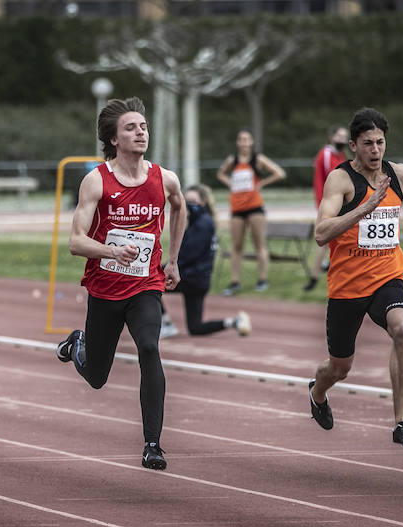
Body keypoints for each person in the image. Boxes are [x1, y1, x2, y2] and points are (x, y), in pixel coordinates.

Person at [54, 97, 186, 470]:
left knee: (149, 347)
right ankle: (78, 343)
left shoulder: (165, 179)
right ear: (113, 138)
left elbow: (180, 206)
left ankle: (153, 444)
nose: (140, 132)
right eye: (131, 128)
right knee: (97, 377)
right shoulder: (97, 180)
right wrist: (111, 253)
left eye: (143, 126)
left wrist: (172, 258)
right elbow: (75, 241)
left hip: (145, 285)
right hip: (105, 288)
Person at [307, 107, 403, 448]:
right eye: (368, 144)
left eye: (380, 143)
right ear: (353, 146)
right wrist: (362, 209)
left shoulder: (400, 174)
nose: (375, 151)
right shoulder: (341, 180)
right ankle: (317, 393)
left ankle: (401, 422)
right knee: (339, 367)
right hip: (347, 287)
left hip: (387, 276)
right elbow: (320, 233)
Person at [159, 183, 251, 339]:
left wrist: (163, 268)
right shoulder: (201, 221)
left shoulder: (203, 223)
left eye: (193, 201)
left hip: (192, 278)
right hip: (199, 279)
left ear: (204, 202)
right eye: (186, 201)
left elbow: (188, 255)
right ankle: (233, 322)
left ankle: (166, 323)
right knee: (196, 327)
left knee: (148, 284)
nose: (189, 205)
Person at [216, 128, 285, 295]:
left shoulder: (257, 159)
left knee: (259, 244)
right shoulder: (232, 160)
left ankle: (262, 280)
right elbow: (221, 174)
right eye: (241, 139)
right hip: (237, 208)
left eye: (247, 139)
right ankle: (235, 282)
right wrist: (230, 183)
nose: (244, 142)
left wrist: (261, 183)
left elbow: (280, 173)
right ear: (237, 142)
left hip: (255, 207)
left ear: (251, 142)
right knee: (237, 246)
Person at [306, 126, 349, 292]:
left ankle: (336, 275)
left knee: (341, 242)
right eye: (339, 136)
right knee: (323, 242)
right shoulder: (326, 154)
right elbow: (331, 178)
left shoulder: (341, 155)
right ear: (331, 137)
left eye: (345, 136)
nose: (342, 140)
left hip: (342, 204)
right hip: (329, 204)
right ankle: (314, 277)